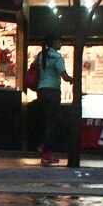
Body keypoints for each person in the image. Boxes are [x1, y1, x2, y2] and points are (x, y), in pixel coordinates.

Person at [35, 35, 72, 166]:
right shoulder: (57, 57)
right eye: (60, 41)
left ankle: (45, 149)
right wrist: (74, 80)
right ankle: (45, 151)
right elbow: (64, 76)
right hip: (53, 92)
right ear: (55, 42)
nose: (61, 44)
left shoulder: (40, 55)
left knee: (49, 121)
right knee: (53, 123)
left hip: (41, 91)